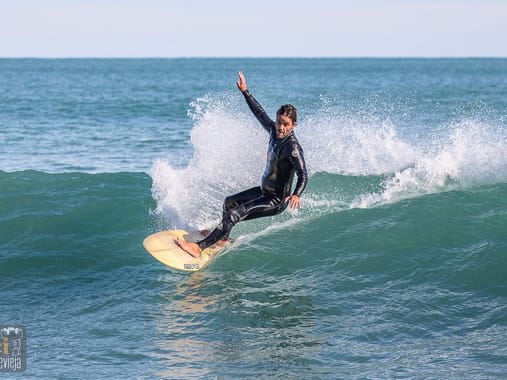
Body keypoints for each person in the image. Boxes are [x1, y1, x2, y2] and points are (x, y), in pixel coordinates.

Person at [177, 71, 308, 258]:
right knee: (229, 203)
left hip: (275, 201)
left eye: (285, 124)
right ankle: (222, 239)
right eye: (279, 122)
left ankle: (198, 248)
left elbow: (303, 174)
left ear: (293, 125)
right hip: (264, 192)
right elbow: (260, 113)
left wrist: (296, 194)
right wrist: (245, 92)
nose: (281, 127)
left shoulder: (293, 148)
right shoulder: (273, 131)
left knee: (233, 215)